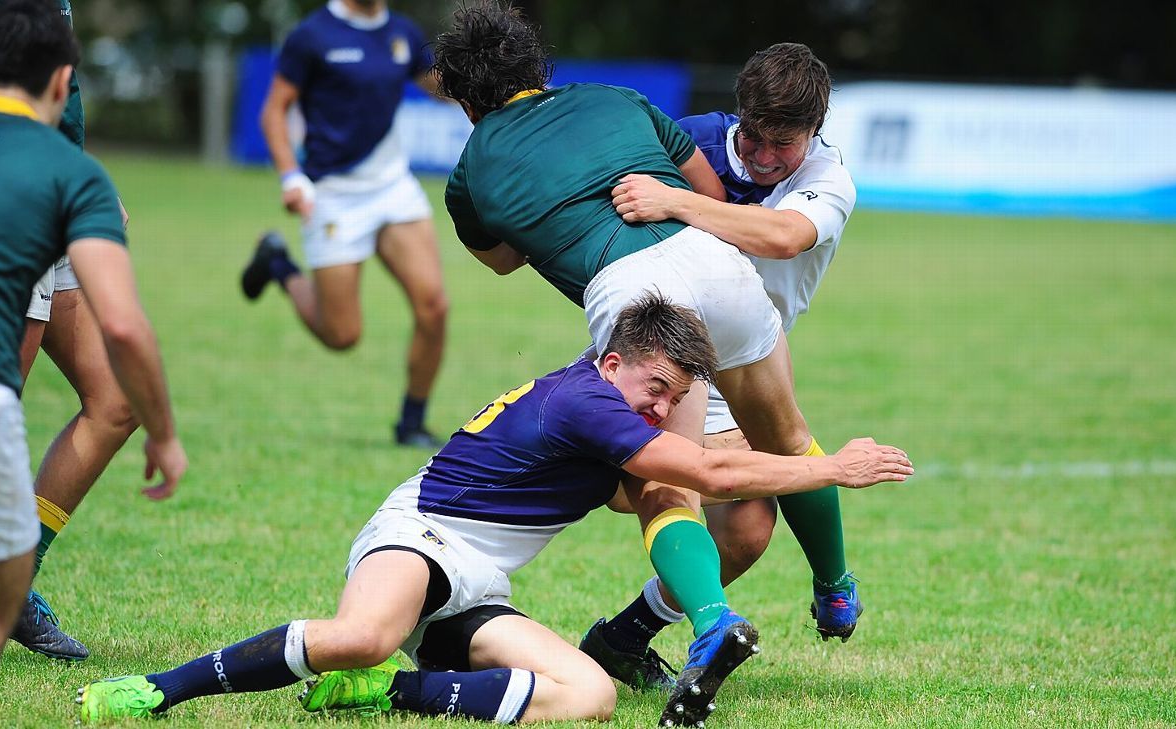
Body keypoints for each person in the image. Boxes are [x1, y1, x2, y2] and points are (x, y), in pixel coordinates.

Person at [75, 292, 911, 725]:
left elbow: (664, 484)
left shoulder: (604, 408)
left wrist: (745, 466)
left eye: (675, 397)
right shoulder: (588, 402)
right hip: (420, 537)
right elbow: (703, 475)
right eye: (656, 389)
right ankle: (154, 690)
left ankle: (382, 698)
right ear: (613, 359)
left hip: (475, 584)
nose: (661, 408)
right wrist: (826, 464)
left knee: (587, 696)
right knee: (362, 634)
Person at [433, 5, 900, 724]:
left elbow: (501, 257)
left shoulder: (469, 175)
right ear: (538, 68)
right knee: (784, 442)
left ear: (465, 101)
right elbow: (710, 198)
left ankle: (712, 621)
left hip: (638, 297)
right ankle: (829, 584)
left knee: (660, 483)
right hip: (719, 270)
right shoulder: (619, 100)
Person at [581, 43, 864, 690]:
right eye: (756, 139)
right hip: (672, 349)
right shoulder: (689, 144)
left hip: (752, 352)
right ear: (739, 116)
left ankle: (624, 636)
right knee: (661, 490)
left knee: (746, 532)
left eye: (783, 145)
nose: (766, 159)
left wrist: (678, 203)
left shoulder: (828, 175)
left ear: (814, 130)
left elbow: (783, 236)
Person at [0, 0, 187, 695]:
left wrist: (80, 181)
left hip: (56, 178)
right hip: (18, 194)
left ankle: (14, 582)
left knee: (114, 399)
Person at [239, 0, 449, 448]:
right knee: (342, 335)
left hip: (393, 187)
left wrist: (501, 87)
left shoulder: (403, 33)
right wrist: (291, 176)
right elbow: (274, 111)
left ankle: (411, 422)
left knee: (434, 307)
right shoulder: (313, 35)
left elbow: (437, 85)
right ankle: (277, 262)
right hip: (333, 194)